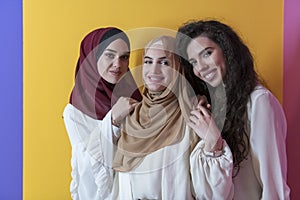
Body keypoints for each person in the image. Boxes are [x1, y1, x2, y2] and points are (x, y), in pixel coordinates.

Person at [176, 19, 290, 199]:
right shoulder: (216, 107)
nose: (201, 67)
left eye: (207, 53)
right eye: (193, 62)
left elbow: (273, 184)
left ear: (228, 50)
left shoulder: (259, 102)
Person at [110, 35, 234, 199]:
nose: (153, 70)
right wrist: (112, 121)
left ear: (178, 69)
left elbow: (213, 193)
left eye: (164, 62)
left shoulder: (194, 117)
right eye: (148, 61)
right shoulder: (130, 116)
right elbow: (97, 174)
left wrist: (214, 144)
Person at [62, 27, 142, 200]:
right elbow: (85, 165)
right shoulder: (75, 111)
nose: (117, 64)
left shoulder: (134, 97)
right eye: (109, 55)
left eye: (124, 57)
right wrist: (112, 120)